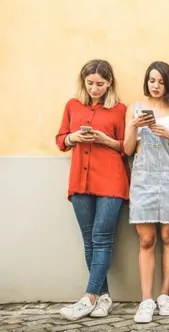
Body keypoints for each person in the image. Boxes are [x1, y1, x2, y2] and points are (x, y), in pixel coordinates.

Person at [55, 59, 128, 321]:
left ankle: (87, 297)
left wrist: (103, 139)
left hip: (111, 181)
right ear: (83, 82)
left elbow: (126, 147)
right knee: (89, 240)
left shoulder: (120, 110)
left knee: (102, 237)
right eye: (90, 83)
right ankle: (103, 297)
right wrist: (73, 137)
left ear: (109, 84)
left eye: (100, 84)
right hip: (80, 182)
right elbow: (60, 140)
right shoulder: (72, 106)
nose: (95, 88)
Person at [123, 61, 169, 323]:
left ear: (168, 83)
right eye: (152, 80)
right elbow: (127, 150)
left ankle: (164, 295)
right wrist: (134, 126)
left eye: (161, 81)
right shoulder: (134, 109)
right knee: (146, 240)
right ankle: (146, 299)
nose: (156, 85)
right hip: (142, 179)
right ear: (146, 82)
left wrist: (168, 135)